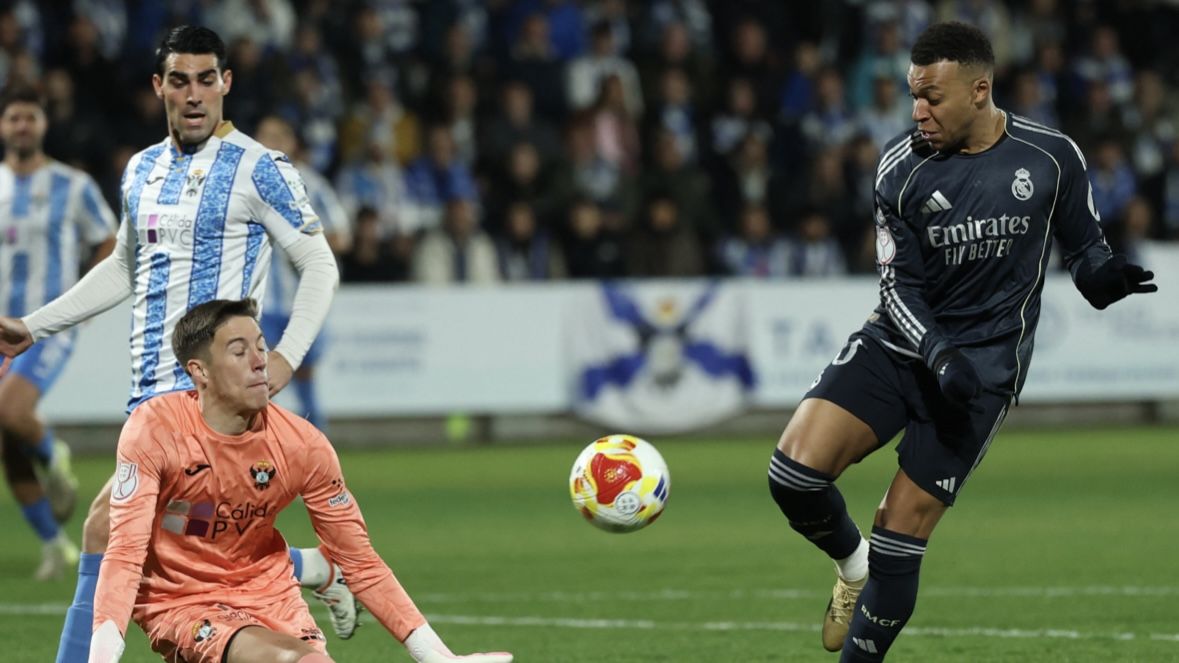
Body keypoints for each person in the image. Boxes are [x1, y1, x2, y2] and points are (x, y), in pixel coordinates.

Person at [766, 22, 1156, 662]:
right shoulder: (901, 168)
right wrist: (938, 352)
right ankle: (849, 565)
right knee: (793, 477)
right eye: (913, 95)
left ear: (980, 90)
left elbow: (1086, 253)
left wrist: (1103, 278)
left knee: (902, 538)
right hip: (901, 348)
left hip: (986, 373)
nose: (919, 111)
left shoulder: (1051, 157)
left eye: (932, 98)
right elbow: (898, 288)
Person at [0, 26, 355, 662]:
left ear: (226, 83)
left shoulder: (259, 167)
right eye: (180, 80)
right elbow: (123, 268)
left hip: (207, 389)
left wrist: (285, 357)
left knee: (108, 532)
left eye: (206, 79)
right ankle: (313, 570)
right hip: (147, 391)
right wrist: (35, 325)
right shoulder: (141, 170)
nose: (194, 94)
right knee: (179, 548)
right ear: (158, 86)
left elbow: (319, 264)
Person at [87, 298, 513, 663]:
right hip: (183, 601)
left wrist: (439, 657)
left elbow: (361, 562)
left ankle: (312, 572)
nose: (260, 362)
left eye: (261, 347)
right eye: (239, 352)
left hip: (272, 595)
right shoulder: (155, 429)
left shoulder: (302, 445)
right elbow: (124, 553)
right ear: (200, 371)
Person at [0, 85, 116, 580]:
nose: (22, 126)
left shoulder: (74, 184)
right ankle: (55, 545)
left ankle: (54, 453)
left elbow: (110, 241)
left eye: (30, 117)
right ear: (3, 127)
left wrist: (81, 305)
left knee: (10, 410)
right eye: (13, 118)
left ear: (43, 124)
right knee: (5, 437)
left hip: (46, 326)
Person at [254, 115, 352, 431]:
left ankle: (318, 451)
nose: (271, 142)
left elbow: (341, 235)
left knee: (305, 374)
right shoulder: (243, 184)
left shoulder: (311, 183)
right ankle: (264, 455)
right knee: (258, 378)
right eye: (265, 135)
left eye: (279, 135)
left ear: (292, 143)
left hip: (302, 302)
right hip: (258, 303)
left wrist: (301, 244)